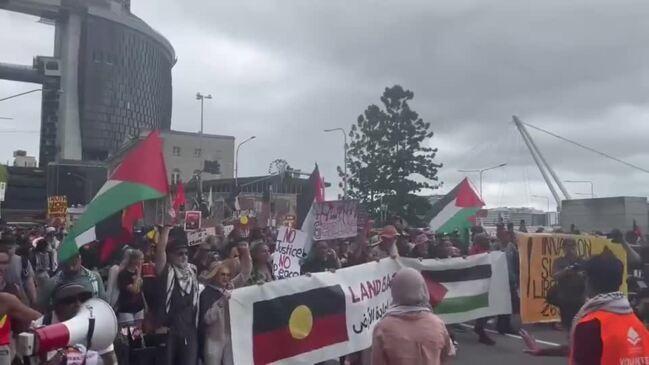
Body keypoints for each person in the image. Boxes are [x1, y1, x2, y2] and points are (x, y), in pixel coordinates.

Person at [526, 253, 649, 363]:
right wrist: (543, 351)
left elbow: (584, 352)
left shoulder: (590, 325)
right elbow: (585, 350)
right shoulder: (637, 323)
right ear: (620, 282)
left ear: (588, 281)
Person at [371, 268, 452, 365]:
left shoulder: (383, 328)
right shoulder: (437, 324)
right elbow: (446, 355)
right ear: (423, 289)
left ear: (395, 291)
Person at [35, 283, 117, 365]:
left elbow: (110, 359)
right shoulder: (41, 325)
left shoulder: (97, 323)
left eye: (83, 299)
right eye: (69, 300)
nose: (78, 304)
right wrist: (61, 357)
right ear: (57, 306)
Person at [199, 242, 251, 365]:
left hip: (230, 338)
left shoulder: (229, 287)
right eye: (222, 274)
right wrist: (221, 302)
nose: (226, 278)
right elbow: (207, 319)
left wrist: (246, 253)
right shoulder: (206, 293)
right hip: (213, 340)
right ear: (214, 275)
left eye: (228, 275)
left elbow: (245, 274)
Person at [155, 226, 199, 365]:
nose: (184, 256)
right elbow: (160, 252)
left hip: (189, 328)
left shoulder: (193, 271)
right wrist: (166, 230)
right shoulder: (167, 271)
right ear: (170, 255)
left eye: (186, 253)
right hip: (170, 329)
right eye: (179, 253)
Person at [37, 253, 106, 311]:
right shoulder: (52, 283)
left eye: (73, 263)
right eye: (67, 265)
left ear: (80, 259)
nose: (71, 268)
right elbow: (41, 307)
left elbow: (104, 303)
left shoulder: (94, 278)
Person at [551, 238, 586, 330]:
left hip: (580, 297)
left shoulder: (582, 261)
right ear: (563, 248)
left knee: (581, 325)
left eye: (572, 246)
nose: (569, 249)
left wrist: (581, 273)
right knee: (568, 326)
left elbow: (588, 276)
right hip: (565, 298)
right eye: (567, 246)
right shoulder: (559, 261)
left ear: (576, 247)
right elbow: (555, 276)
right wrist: (566, 270)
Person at [469, 233, 496, 345]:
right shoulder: (475, 251)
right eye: (486, 240)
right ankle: (480, 329)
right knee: (485, 307)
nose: (488, 241)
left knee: (488, 307)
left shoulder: (486, 250)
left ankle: (480, 327)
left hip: (486, 280)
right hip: (479, 282)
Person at [0, 235, 37, 307]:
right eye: (6, 248)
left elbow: (29, 282)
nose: (9, 250)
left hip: (20, 302)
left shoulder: (23, 261)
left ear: (15, 247)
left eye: (10, 248)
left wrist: (34, 300)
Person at [117, 249, 145, 328]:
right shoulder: (123, 274)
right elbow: (134, 290)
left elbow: (140, 290)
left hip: (138, 307)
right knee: (127, 335)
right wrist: (139, 273)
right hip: (126, 308)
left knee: (137, 335)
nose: (143, 261)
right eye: (141, 259)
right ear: (133, 260)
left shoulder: (138, 272)